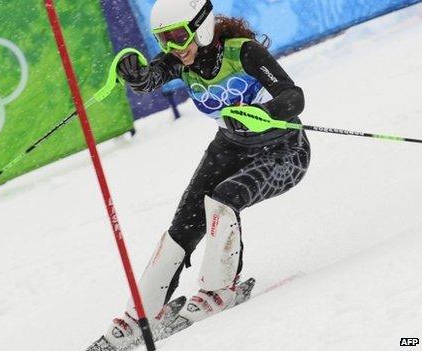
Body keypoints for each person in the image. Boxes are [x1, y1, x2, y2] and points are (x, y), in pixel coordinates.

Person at [90, 0, 311, 349]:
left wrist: (261, 111)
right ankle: (141, 314)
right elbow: (152, 78)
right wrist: (136, 74)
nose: (174, 48)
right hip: (230, 147)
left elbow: (293, 97)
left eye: (179, 36)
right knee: (184, 223)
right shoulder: (179, 61)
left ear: (202, 27)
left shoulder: (244, 53)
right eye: (164, 40)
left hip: (284, 150)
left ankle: (219, 290)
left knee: (223, 199)